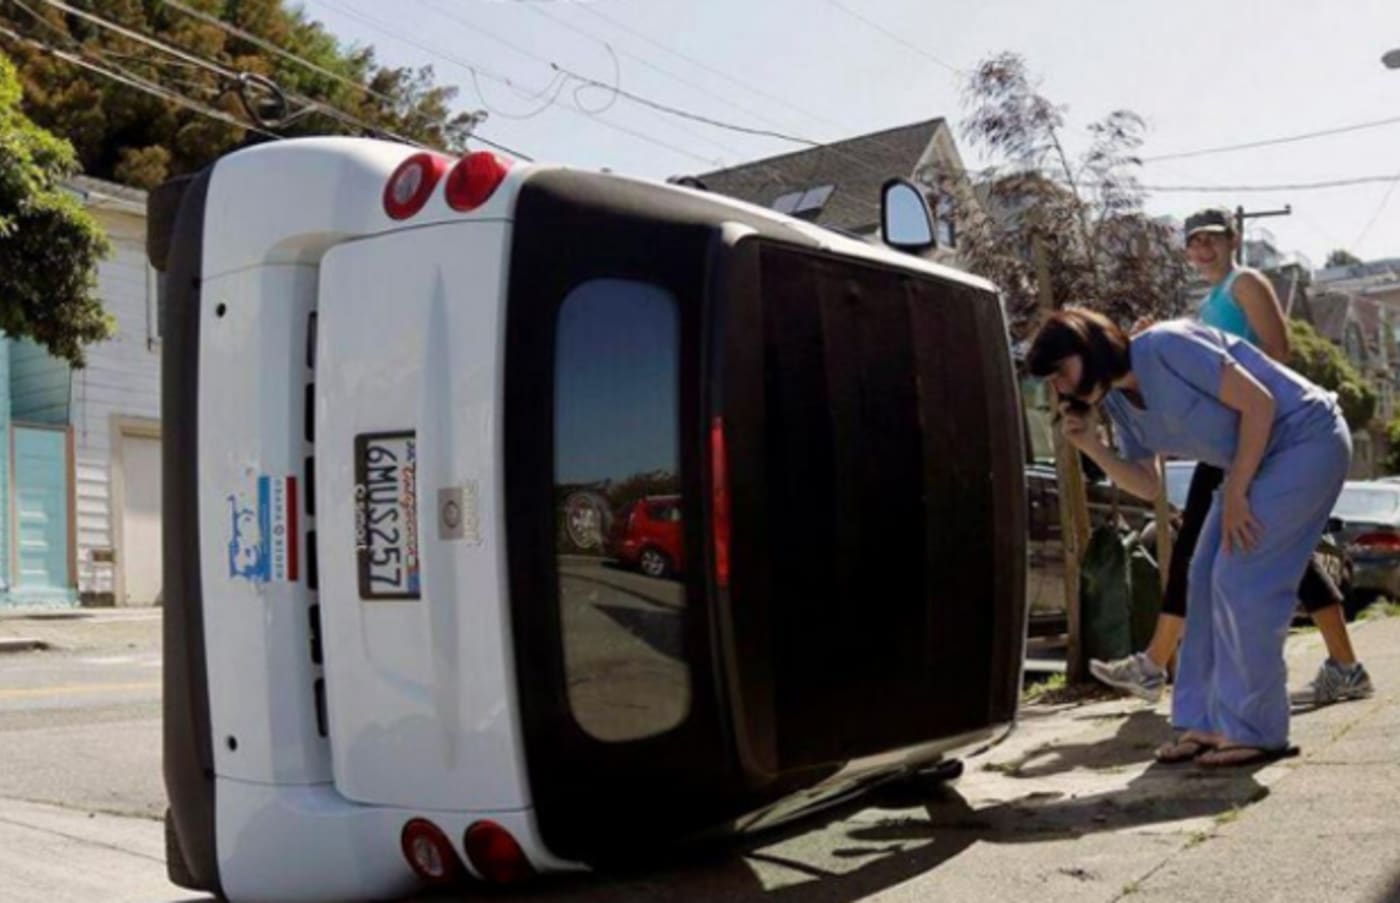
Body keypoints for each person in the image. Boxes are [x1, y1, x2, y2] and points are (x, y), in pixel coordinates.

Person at [1028, 309, 1350, 767]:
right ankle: (1205, 725)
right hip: (1250, 462)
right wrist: (1092, 448)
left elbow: (1260, 404)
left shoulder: (1167, 346)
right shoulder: (1119, 402)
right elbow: (1147, 484)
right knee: (1199, 582)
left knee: (1241, 579)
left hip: (1306, 438)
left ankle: (1257, 730)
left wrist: (1236, 489)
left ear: (1089, 346)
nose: (1060, 387)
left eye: (1061, 372)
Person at [1090, 208, 1372, 708]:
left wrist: (1201, 360)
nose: (1202, 250)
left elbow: (1276, 353)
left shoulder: (1245, 283)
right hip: (1227, 441)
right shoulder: (1212, 300)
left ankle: (1156, 666)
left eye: (1211, 240)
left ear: (1233, 239)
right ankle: (1344, 666)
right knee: (1269, 551)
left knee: (1200, 549)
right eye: (1193, 241)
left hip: (1258, 433)